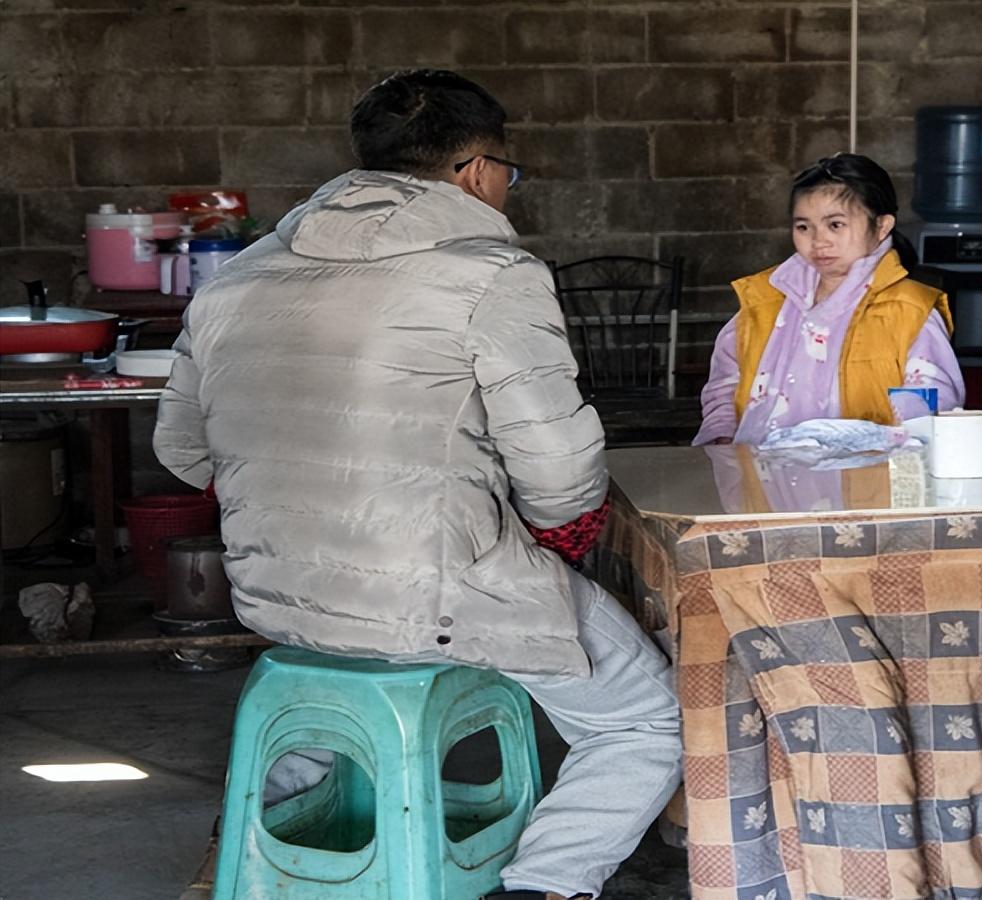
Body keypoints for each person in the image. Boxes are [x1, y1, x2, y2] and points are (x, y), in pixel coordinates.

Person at [153, 69, 681, 900]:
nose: (508, 186)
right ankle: (541, 885)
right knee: (643, 720)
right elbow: (559, 471)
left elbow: (182, 451)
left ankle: (249, 838)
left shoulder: (238, 279)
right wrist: (558, 539)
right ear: (476, 169)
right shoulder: (490, 276)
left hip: (279, 591)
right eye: (510, 169)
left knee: (333, 670)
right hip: (435, 595)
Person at [694, 152, 965, 446]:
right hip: (764, 481)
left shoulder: (909, 311)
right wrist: (720, 438)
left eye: (835, 225)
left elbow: (928, 411)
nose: (818, 240)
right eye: (803, 227)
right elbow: (724, 386)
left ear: (882, 226)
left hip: (865, 483)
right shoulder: (764, 302)